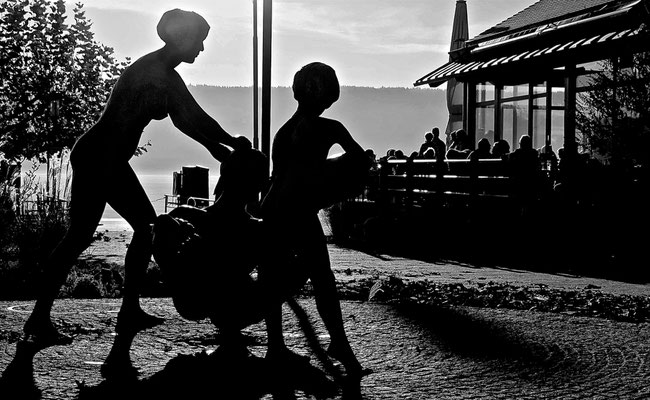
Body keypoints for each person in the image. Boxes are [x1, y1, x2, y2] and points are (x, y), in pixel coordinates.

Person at [23, 9, 250, 346]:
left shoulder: (163, 73)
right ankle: (42, 317)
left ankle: (122, 310)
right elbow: (194, 118)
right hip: (101, 157)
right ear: (182, 37)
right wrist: (229, 143)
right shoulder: (156, 73)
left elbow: (185, 119)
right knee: (92, 235)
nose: (201, 49)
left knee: (135, 230)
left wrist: (217, 147)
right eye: (199, 40)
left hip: (105, 158)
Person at [259, 62, 370, 378]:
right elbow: (359, 159)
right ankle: (340, 347)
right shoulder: (330, 128)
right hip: (299, 212)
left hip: (274, 211)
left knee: (274, 278)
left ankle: (277, 346)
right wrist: (340, 173)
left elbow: (281, 176)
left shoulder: (282, 133)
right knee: (322, 280)